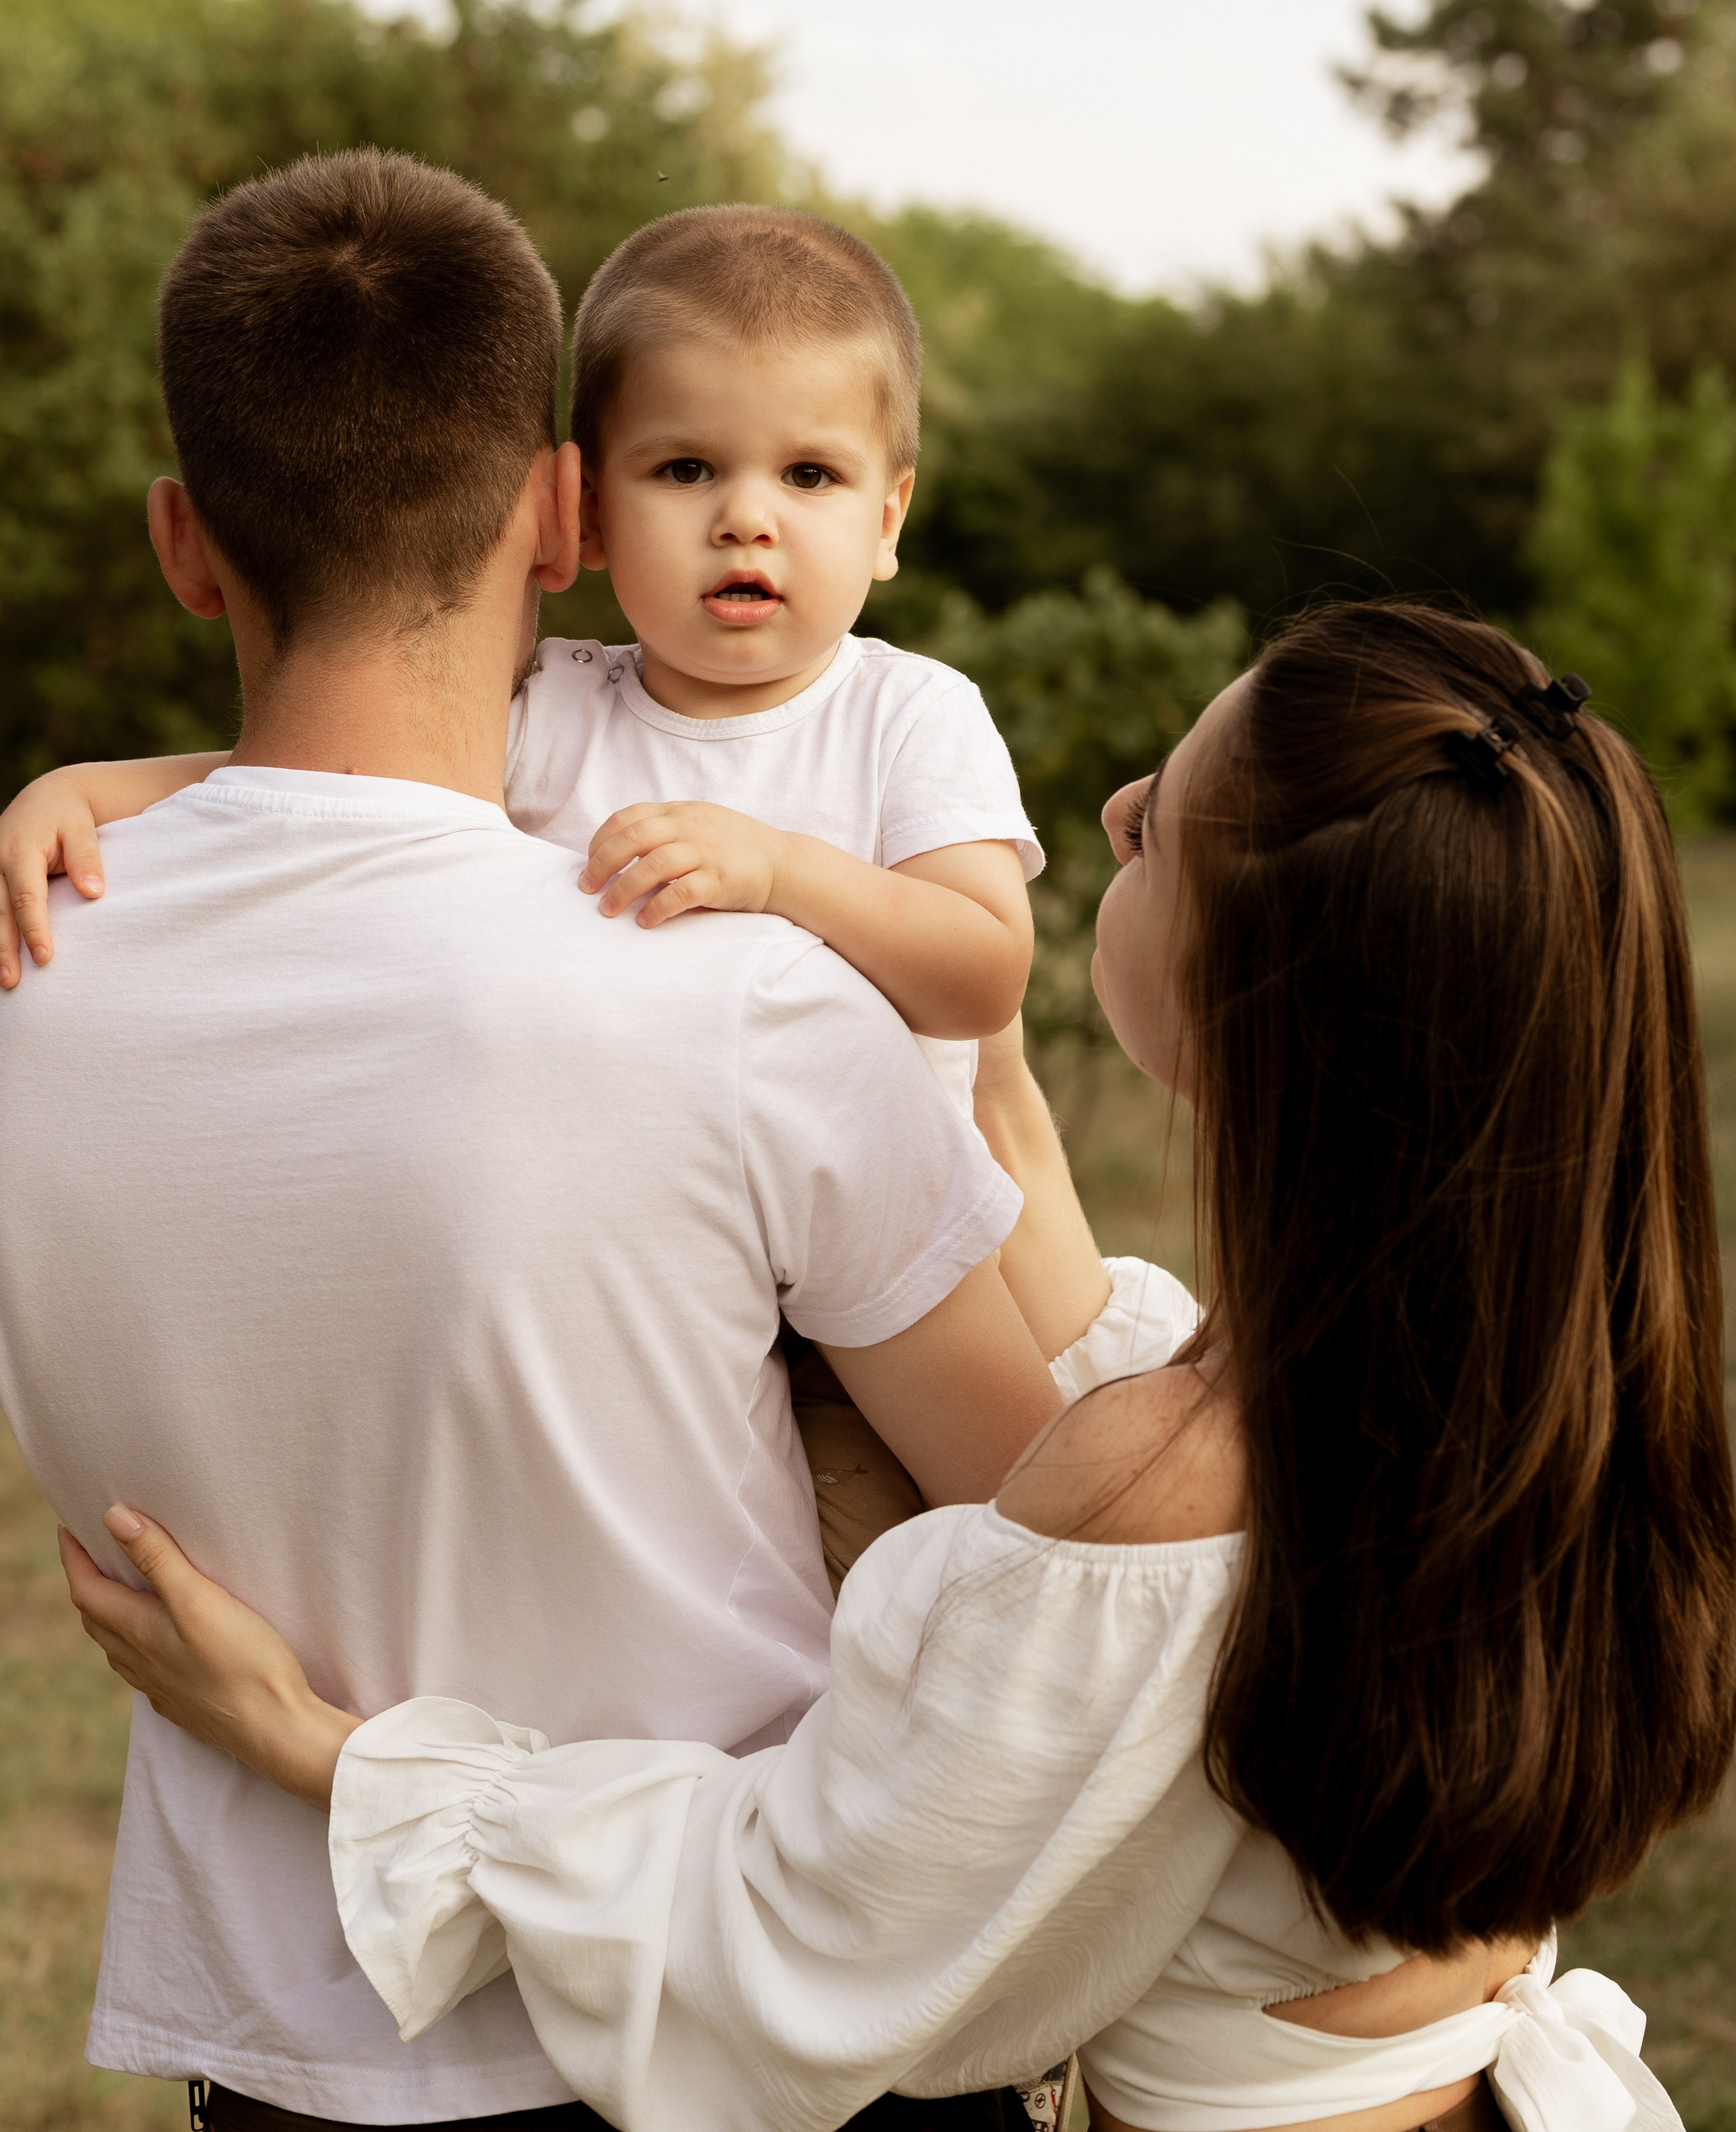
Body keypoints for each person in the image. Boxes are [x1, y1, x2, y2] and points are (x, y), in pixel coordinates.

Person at [66, 603, 1736, 2132]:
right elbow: (1048, 1238)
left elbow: (799, 1934)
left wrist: (327, 1748)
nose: (1110, 812)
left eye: (1158, 821)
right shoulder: (1516, 1385)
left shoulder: (1156, 1492)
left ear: (1255, 992)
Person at [0, 149, 1108, 2129]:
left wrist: (77, 786)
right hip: (751, 2017)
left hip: (300, 2038)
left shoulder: (34, 962)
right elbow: (1055, 1554)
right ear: (564, 512)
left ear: (186, 542)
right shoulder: (736, 990)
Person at [0, 199, 1101, 1587]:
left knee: (922, 1603)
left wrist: (778, 873)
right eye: (687, 468)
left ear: (889, 516)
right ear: (577, 509)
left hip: (897, 1302)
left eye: (810, 477)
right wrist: (91, 791)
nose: (747, 517)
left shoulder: (906, 713)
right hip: (659, 1293)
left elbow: (982, 970)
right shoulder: (558, 705)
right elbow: (316, 772)